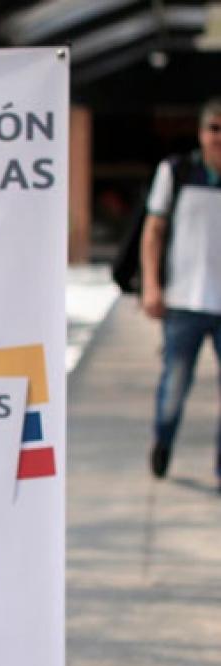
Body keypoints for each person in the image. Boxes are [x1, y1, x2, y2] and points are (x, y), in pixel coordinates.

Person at [140, 97, 221, 491]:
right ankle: (163, 439)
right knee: (174, 384)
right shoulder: (177, 171)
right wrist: (152, 286)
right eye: (214, 128)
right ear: (202, 132)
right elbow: (153, 232)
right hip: (185, 301)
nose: (219, 138)